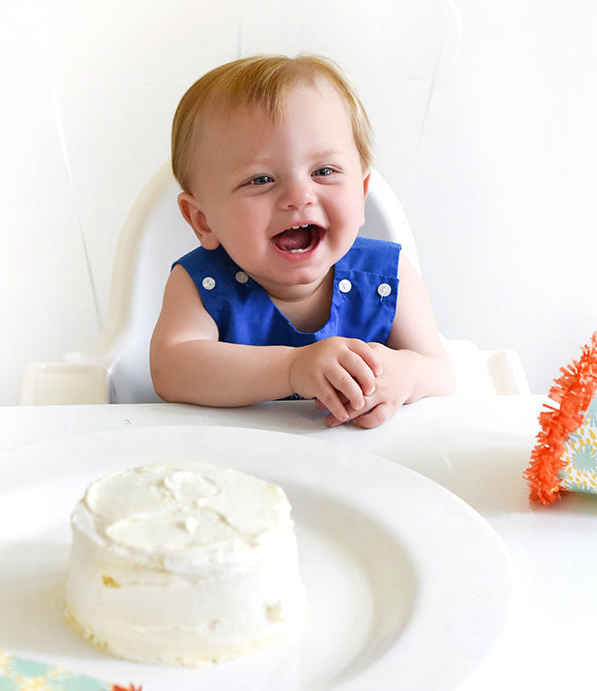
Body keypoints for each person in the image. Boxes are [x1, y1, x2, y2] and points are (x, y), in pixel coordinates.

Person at [149, 54, 455, 428]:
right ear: (202, 220)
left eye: (323, 171)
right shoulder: (202, 284)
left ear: (360, 196)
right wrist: (292, 368)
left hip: (362, 466)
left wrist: (403, 376)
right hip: (236, 462)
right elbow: (172, 370)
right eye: (260, 179)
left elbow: (441, 374)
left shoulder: (386, 279)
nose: (299, 196)